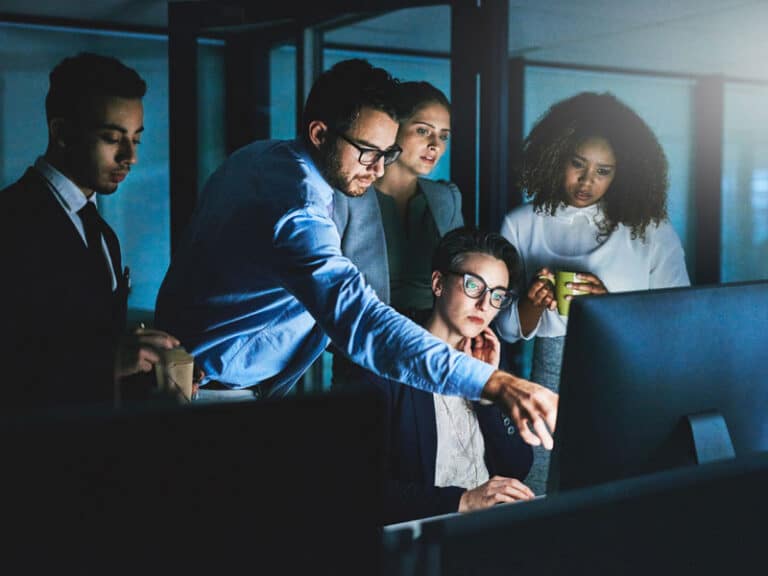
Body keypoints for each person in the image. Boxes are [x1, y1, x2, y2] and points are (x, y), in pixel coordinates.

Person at [154, 58, 557, 448]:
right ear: (319, 134)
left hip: (194, 377)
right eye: (368, 152)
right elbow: (360, 318)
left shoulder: (259, 156)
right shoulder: (299, 211)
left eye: (388, 153)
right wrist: (494, 382)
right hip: (210, 397)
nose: (378, 169)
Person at [495, 91, 690, 493]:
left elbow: (679, 321)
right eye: (577, 164)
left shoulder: (651, 230)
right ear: (555, 156)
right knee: (538, 490)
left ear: (625, 172)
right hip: (548, 376)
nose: (587, 181)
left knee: (617, 493)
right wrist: (532, 303)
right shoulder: (521, 224)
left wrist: (609, 308)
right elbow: (507, 331)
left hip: (626, 374)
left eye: (604, 171)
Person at [0, 52, 180, 409]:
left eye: (136, 140)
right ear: (62, 133)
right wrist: (107, 364)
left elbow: (92, 343)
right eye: (112, 138)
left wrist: (154, 369)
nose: (130, 156)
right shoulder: (9, 221)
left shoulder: (103, 233)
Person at [345, 227, 535, 524]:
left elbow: (518, 466)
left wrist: (487, 392)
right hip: (422, 536)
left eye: (498, 295)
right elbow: (357, 487)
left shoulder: (488, 354)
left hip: (488, 529)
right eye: (473, 285)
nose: (484, 305)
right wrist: (463, 501)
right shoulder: (384, 362)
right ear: (438, 283)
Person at [331, 80, 462, 387]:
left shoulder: (446, 198)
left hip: (433, 350)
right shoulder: (347, 196)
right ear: (393, 129)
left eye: (443, 136)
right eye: (423, 130)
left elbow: (463, 273)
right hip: (366, 351)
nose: (436, 145)